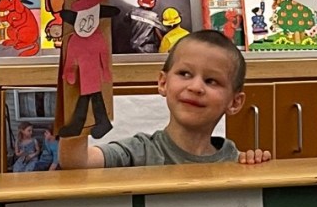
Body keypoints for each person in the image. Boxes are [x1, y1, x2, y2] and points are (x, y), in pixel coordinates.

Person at [59, 29, 271, 168]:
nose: (196, 87)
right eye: (185, 74)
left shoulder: (237, 161)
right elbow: (77, 163)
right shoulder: (140, 152)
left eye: (211, 81)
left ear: (234, 102)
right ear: (163, 82)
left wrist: (259, 167)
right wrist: (78, 95)